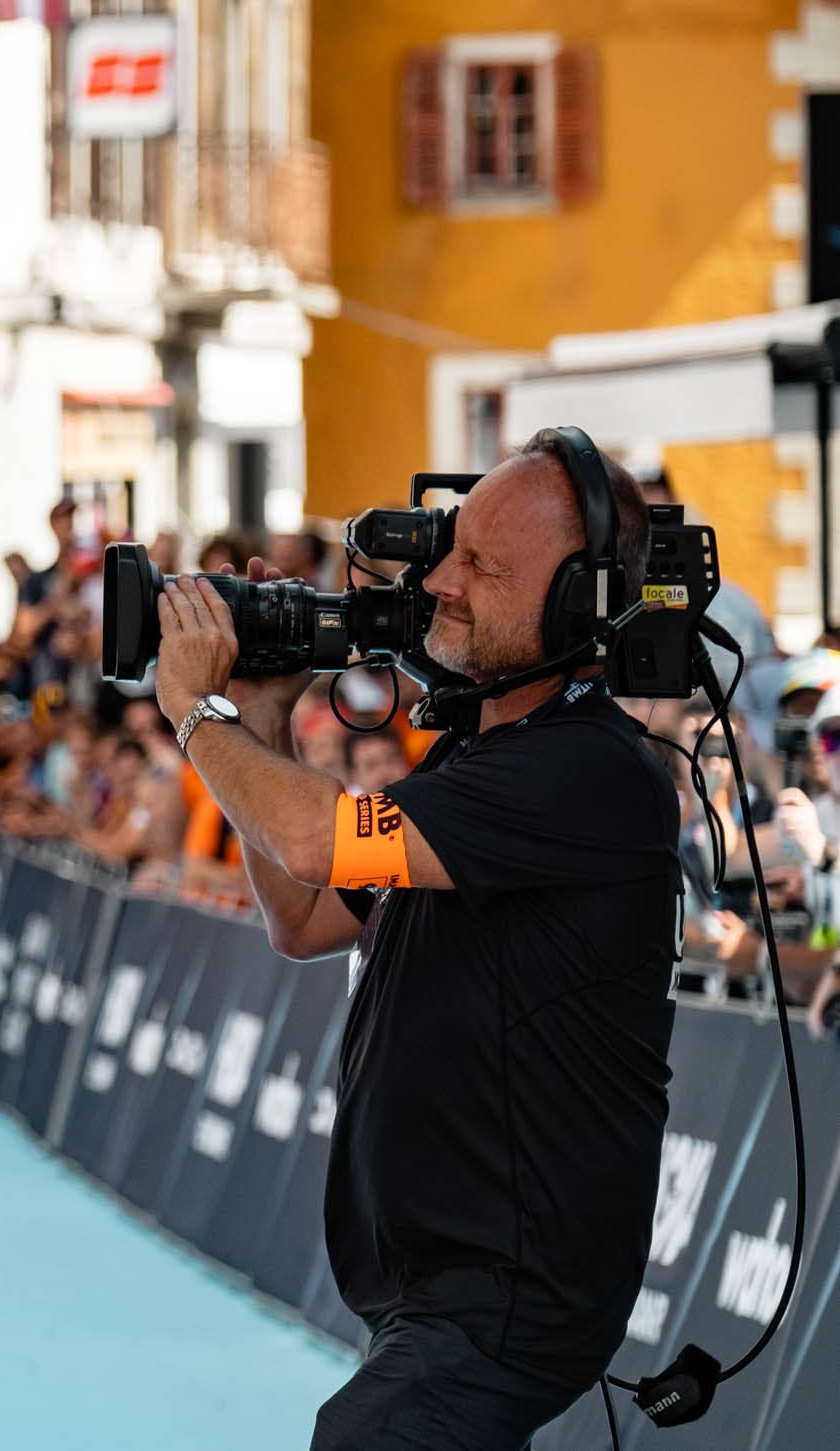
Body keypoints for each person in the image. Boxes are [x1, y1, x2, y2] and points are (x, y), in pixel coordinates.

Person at [151, 431, 679, 1450]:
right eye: (449, 547)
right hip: (433, 1292)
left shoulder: (586, 771)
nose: (438, 579)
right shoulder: (480, 754)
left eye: (482, 564)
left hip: (504, 1295)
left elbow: (314, 836)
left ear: (577, 601)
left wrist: (193, 710)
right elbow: (302, 916)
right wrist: (259, 716)